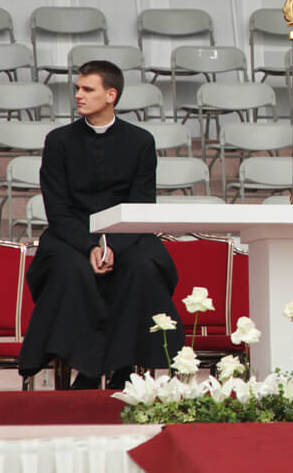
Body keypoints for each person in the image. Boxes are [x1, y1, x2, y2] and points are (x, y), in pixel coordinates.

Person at [18, 60, 183, 389]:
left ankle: (124, 365)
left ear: (111, 95)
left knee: (143, 268)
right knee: (71, 270)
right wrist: (90, 246)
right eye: (77, 88)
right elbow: (57, 209)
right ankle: (86, 368)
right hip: (70, 235)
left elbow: (141, 204)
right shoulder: (59, 141)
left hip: (127, 234)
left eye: (87, 89)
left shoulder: (140, 141)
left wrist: (112, 247)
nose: (78, 95)